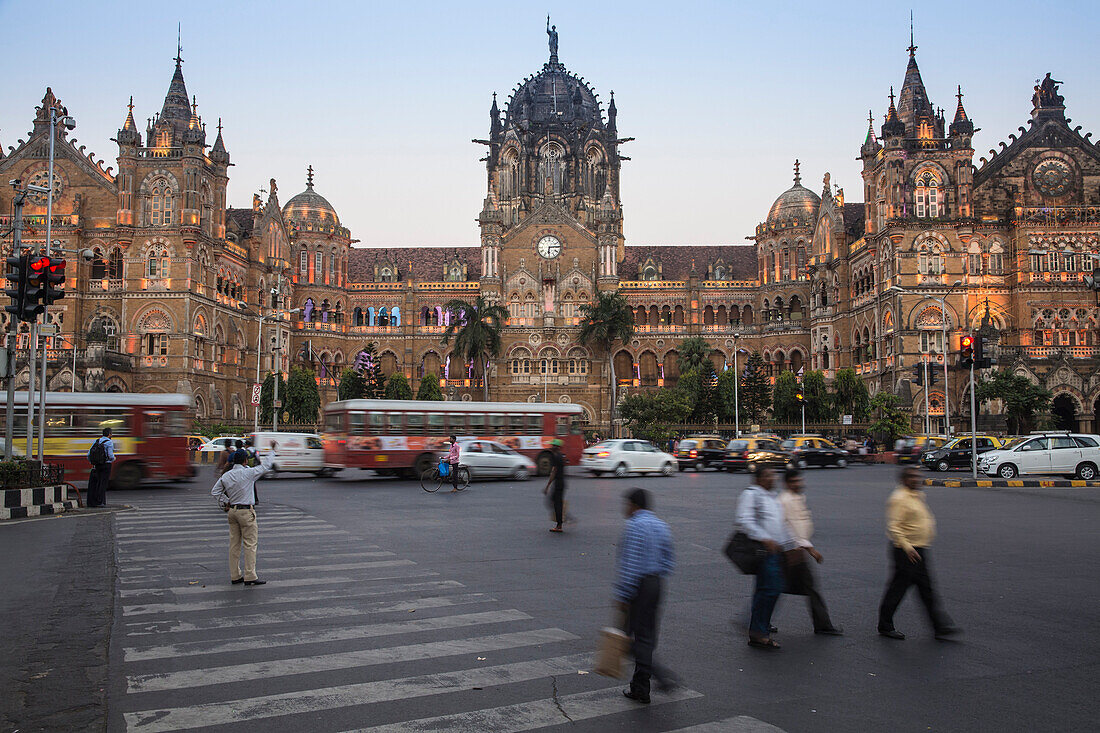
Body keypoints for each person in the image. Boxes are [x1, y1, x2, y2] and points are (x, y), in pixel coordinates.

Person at [878, 467, 960, 640]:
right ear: (904, 479)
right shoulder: (899, 498)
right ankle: (885, 625)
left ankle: (940, 626)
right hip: (906, 551)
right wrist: (907, 547)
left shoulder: (916, 495)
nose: (917, 479)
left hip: (919, 548)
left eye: (918, 476)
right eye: (913, 477)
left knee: (926, 590)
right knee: (898, 589)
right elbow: (894, 526)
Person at [616, 488, 677, 704]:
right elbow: (669, 559)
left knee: (627, 637)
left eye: (627, 504)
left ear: (634, 505)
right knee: (646, 636)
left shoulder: (634, 526)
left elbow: (630, 564)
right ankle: (640, 687)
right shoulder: (661, 525)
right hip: (656, 584)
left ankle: (659, 676)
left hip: (639, 586)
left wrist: (623, 594)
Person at [736, 466, 795, 649]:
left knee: (766, 590)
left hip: (775, 552)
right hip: (763, 551)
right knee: (771, 589)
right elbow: (743, 520)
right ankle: (758, 630)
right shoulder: (752, 495)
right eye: (769, 475)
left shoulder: (772, 497)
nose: (773, 478)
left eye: (773, 475)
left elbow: (779, 524)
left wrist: (790, 545)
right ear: (759, 479)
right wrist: (765, 538)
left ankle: (756, 626)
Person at [779, 468, 843, 635]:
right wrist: (810, 549)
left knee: (778, 587)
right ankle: (823, 625)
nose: (798, 484)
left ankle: (757, 620)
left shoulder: (797, 498)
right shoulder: (785, 500)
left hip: (796, 550)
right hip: (792, 551)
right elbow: (789, 528)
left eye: (799, 480)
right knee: (801, 587)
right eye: (794, 481)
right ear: (786, 484)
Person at [211, 442, 276, 586]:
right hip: (246, 512)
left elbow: (214, 492)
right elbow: (265, 467)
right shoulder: (248, 473)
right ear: (245, 460)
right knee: (250, 544)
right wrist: (272, 451)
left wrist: (226, 501)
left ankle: (235, 575)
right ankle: (250, 575)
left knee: (234, 545)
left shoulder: (227, 476)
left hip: (232, 512)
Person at [86, 428, 115, 508]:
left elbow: (88, 455)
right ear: (109, 434)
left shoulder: (97, 441)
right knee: (103, 483)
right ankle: (100, 501)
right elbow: (110, 456)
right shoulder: (109, 442)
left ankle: (94, 501)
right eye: (111, 434)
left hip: (97, 465)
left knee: (97, 483)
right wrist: (113, 459)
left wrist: (93, 462)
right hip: (106, 465)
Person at [543, 438, 567, 532]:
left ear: (557, 447)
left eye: (553, 445)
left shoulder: (556, 457)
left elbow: (554, 471)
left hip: (558, 484)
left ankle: (559, 525)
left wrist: (547, 486)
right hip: (561, 483)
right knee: (555, 502)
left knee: (556, 503)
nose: (551, 447)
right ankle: (562, 518)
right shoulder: (560, 456)